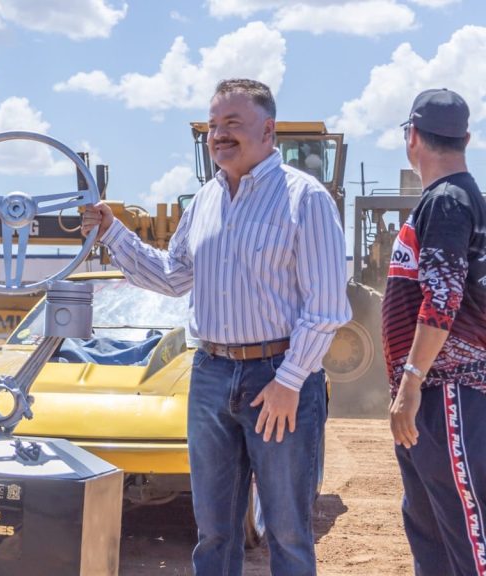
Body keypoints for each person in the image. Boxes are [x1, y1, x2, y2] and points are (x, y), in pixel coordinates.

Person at [81, 78, 350, 575]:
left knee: (288, 532)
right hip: (208, 372)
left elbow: (328, 306)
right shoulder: (204, 201)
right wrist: (112, 233)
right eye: (212, 126)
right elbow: (172, 276)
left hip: (278, 374)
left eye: (233, 123)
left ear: (267, 129)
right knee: (214, 530)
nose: (219, 135)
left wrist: (290, 382)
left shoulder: (304, 199)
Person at [384, 88, 486, 576]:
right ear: (465, 138)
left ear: (413, 137)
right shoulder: (452, 199)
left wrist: (410, 383)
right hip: (438, 394)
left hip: (449, 393)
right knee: (432, 535)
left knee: (467, 536)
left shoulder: (446, 200)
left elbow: (441, 299)